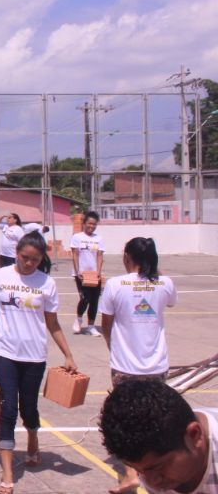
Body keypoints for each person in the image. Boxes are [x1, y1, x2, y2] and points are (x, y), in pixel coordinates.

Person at [0, 232, 78, 494]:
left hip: (34, 356)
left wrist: (68, 355)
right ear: (16, 252)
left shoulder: (46, 283)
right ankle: (7, 475)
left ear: (41, 260)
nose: (29, 264)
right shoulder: (0, 277)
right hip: (4, 353)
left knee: (29, 408)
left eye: (35, 260)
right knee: (7, 409)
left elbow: (52, 323)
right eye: (25, 258)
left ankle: (33, 438)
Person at [100, 237, 178, 493]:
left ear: (126, 257)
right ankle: (156, 468)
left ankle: (132, 473)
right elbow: (169, 301)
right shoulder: (164, 283)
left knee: (125, 421)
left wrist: (114, 346)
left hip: (125, 365)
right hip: (156, 364)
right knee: (155, 419)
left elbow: (107, 324)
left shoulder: (114, 284)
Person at [100, 379, 218, 494]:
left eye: (158, 467)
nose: (152, 482)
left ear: (194, 435)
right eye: (138, 470)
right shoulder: (158, 471)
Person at [71, 211, 105, 336]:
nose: (91, 226)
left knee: (95, 300)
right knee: (85, 298)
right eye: (89, 223)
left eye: (94, 224)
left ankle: (91, 326)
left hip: (94, 274)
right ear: (84, 223)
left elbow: (100, 256)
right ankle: (79, 319)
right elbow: (75, 254)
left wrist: (98, 272)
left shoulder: (98, 239)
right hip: (81, 273)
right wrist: (78, 271)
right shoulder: (77, 237)